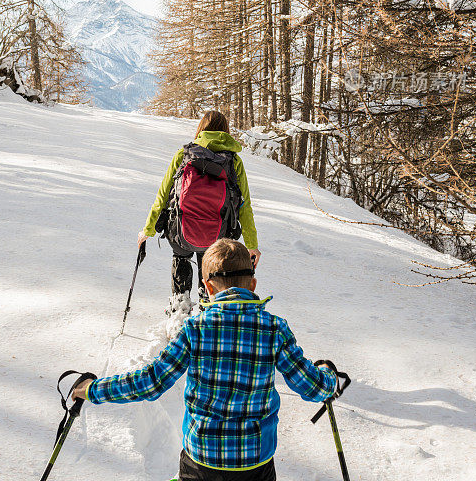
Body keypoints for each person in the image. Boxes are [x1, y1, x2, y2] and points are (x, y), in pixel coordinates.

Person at [73, 239, 340, 481]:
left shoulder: (195, 329)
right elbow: (314, 387)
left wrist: (92, 390)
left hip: (201, 461)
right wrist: (327, 375)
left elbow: (150, 382)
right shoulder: (273, 329)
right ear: (253, 285)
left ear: (207, 287)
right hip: (255, 463)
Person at [137, 111, 261, 313]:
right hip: (217, 236)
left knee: (181, 258)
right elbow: (244, 206)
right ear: (225, 131)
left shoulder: (184, 155)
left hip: (180, 232)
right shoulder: (233, 162)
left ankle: (179, 313)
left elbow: (162, 196)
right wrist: (252, 245)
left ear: (201, 129)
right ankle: (207, 312)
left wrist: (148, 230)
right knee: (211, 266)